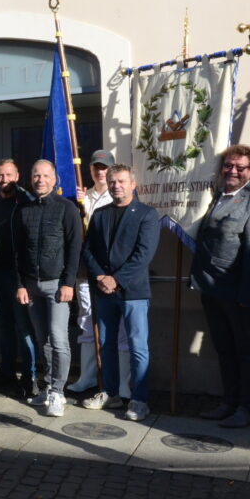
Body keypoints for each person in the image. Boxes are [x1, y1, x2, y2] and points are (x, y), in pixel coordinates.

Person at [190, 144, 250, 428]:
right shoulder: (218, 196)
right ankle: (230, 402)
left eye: (240, 167)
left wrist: (247, 294)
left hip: (238, 292)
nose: (233, 171)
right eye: (229, 165)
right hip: (213, 289)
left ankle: (247, 408)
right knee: (224, 349)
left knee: (246, 350)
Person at [80, 164, 159, 421]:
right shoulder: (100, 214)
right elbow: (88, 249)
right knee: (106, 344)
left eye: (122, 181)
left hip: (133, 291)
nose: (116, 186)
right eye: (112, 182)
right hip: (104, 291)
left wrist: (117, 279)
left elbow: (143, 254)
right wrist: (101, 277)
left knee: (138, 347)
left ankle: (139, 400)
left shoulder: (146, 214)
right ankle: (111, 393)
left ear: (132, 184)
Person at [13, 160, 82, 417]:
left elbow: (75, 248)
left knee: (59, 339)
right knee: (43, 340)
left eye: (45, 175)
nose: (40, 180)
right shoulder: (23, 210)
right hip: (31, 287)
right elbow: (18, 252)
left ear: (54, 179)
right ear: (31, 179)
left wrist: (68, 283)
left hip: (57, 286)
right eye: (36, 175)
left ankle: (58, 392)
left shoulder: (67, 209)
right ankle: (49, 385)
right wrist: (21, 285)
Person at [68, 150, 131, 397]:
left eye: (105, 167)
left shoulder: (120, 197)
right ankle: (87, 377)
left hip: (115, 273)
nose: (100, 172)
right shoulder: (84, 196)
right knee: (86, 322)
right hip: (87, 270)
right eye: (97, 167)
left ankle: (123, 384)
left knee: (121, 328)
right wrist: (78, 204)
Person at [0, 159, 37, 396]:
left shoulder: (26, 202)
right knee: (3, 325)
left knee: (24, 326)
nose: (4, 180)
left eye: (8, 175)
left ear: (17, 175)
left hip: (20, 277)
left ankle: (30, 376)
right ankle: (6, 372)